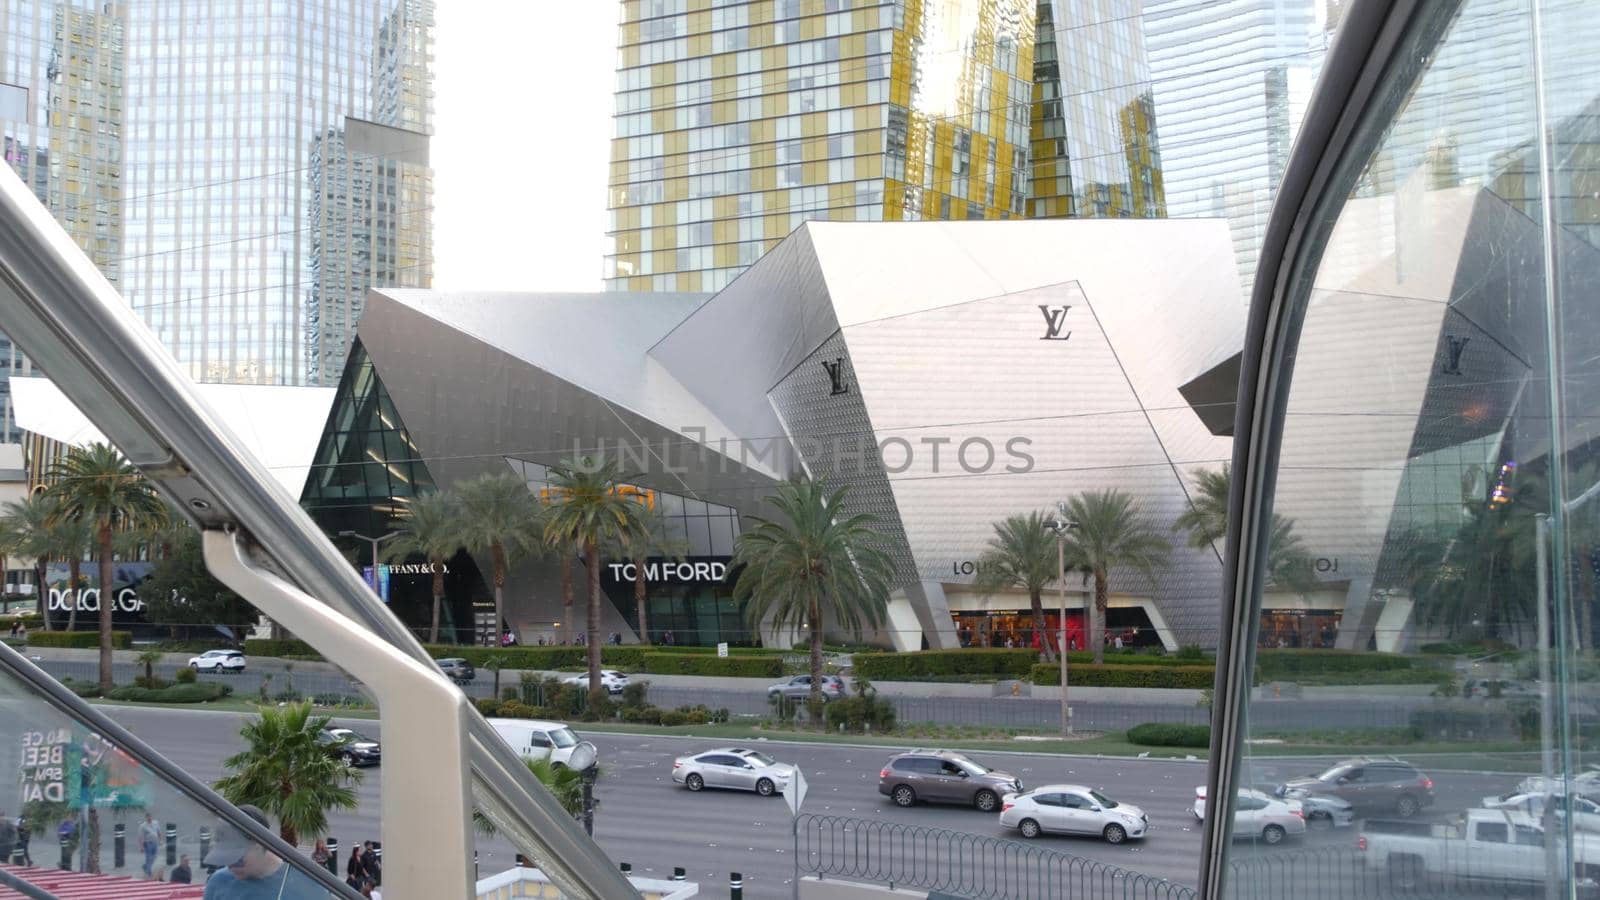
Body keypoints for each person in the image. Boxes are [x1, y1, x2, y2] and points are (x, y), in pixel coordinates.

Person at [202, 804, 324, 899]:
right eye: (225, 859)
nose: (231, 866)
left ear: (259, 844)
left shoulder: (306, 885)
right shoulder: (218, 882)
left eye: (237, 859)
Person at [139, 812, 161, 877]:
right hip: (148, 843)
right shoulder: (143, 826)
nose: (149, 818)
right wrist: (141, 846)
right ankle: (149, 872)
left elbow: (159, 832)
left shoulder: (156, 823)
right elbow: (141, 837)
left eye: (150, 817)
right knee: (149, 858)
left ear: (151, 817)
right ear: (146, 818)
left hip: (155, 842)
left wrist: (160, 840)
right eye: (148, 817)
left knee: (154, 857)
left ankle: (145, 866)